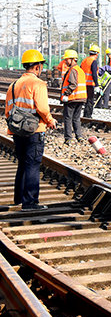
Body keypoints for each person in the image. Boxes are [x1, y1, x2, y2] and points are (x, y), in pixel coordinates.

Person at [4, 49, 57, 210]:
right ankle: (30, 202)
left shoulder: (13, 85)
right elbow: (42, 108)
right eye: (41, 66)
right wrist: (50, 121)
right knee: (33, 165)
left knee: (22, 164)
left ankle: (19, 199)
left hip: (17, 131)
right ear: (37, 67)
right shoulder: (38, 84)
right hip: (35, 130)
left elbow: (8, 111)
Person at [60, 49, 87, 144]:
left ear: (73, 59)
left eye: (67, 59)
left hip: (72, 98)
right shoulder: (80, 70)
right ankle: (79, 136)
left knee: (67, 118)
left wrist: (66, 94)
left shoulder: (72, 70)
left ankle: (68, 138)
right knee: (76, 118)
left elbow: (73, 84)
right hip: (81, 98)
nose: (65, 61)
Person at [79, 44, 100, 118]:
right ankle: (88, 116)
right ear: (97, 54)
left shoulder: (84, 60)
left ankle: (85, 114)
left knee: (85, 100)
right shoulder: (93, 61)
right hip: (90, 84)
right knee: (90, 101)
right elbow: (94, 74)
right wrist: (97, 85)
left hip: (82, 83)